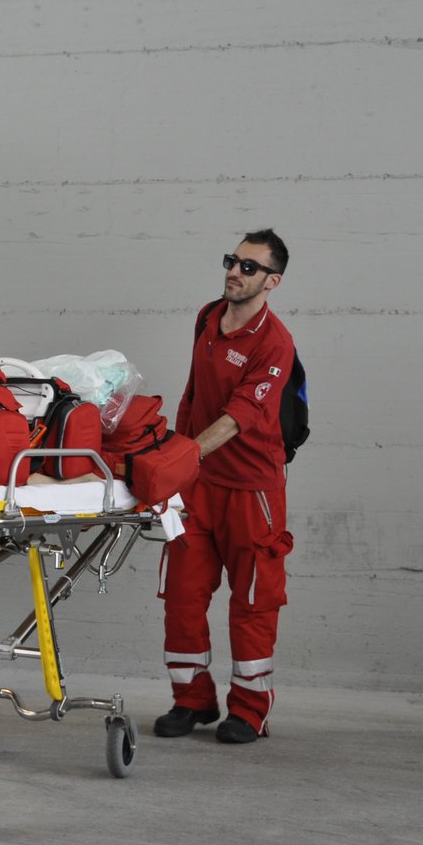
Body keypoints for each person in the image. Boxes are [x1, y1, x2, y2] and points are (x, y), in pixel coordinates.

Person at [154, 229, 297, 745]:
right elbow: (195, 394)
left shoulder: (275, 342)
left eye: (250, 267)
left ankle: (250, 708)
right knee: (183, 595)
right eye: (232, 261)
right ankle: (191, 700)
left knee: (253, 601)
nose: (235, 272)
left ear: (272, 281)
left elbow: (241, 417)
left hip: (251, 489)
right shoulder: (207, 317)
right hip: (196, 484)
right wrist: (177, 459)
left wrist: (180, 455)